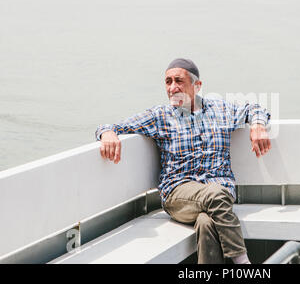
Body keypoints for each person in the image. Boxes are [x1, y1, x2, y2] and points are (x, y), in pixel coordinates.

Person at [95, 58, 271, 264]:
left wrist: (258, 125)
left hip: (220, 193)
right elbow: (113, 126)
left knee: (206, 223)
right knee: (214, 194)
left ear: (197, 86)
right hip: (179, 194)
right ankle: (243, 264)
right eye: (168, 82)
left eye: (178, 81)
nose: (172, 88)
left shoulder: (222, 110)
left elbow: (256, 109)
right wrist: (107, 133)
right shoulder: (160, 116)